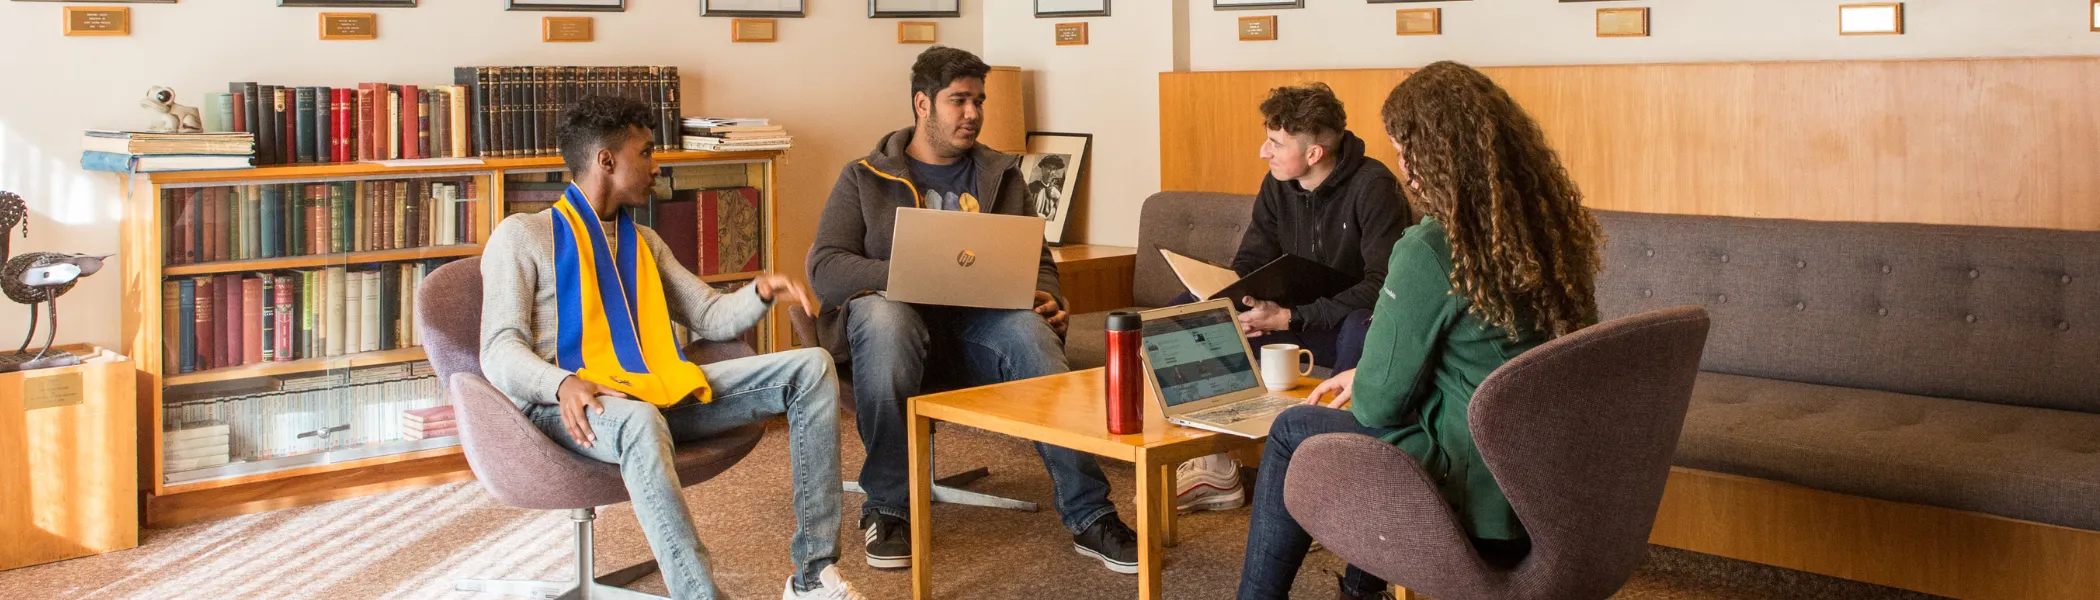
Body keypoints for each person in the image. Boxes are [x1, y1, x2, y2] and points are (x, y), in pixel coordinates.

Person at [1235, 61, 1605, 600]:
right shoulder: (1547, 232)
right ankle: (1362, 592)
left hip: (1473, 484)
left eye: (1405, 150)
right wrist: (1369, 373)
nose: (1403, 168)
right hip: (1543, 479)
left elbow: (1379, 407)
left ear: (1434, 156)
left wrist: (1372, 379)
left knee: (1293, 428)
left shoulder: (1431, 247)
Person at [480, 95, 862, 600]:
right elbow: (498, 348)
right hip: (567, 405)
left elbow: (709, 316)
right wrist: (562, 383)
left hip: (651, 386)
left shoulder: (645, 242)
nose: (657, 166)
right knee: (638, 420)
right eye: (646, 153)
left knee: (811, 367)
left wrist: (760, 291)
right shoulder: (522, 236)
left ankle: (813, 576)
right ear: (606, 161)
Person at [807, 45, 1139, 574]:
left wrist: (1050, 297)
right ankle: (889, 507)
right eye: (958, 100)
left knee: (1030, 334)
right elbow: (825, 267)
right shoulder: (864, 176)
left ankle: (1091, 513)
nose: (973, 113)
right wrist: (908, 272)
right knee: (885, 319)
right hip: (892, 333)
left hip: (977, 332)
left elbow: (1038, 261)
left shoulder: (1003, 173)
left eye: (979, 101)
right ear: (923, 104)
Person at [1174, 82, 1411, 514]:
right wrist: (1231, 299)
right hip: (1288, 316)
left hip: (1340, 325)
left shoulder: (1373, 187)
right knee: (1187, 310)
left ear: (1314, 153)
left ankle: (1334, 487)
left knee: (1362, 326)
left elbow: (1383, 285)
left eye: (1276, 143)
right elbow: (1251, 260)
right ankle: (1213, 464)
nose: (1264, 151)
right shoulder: (1278, 183)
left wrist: (1290, 316)